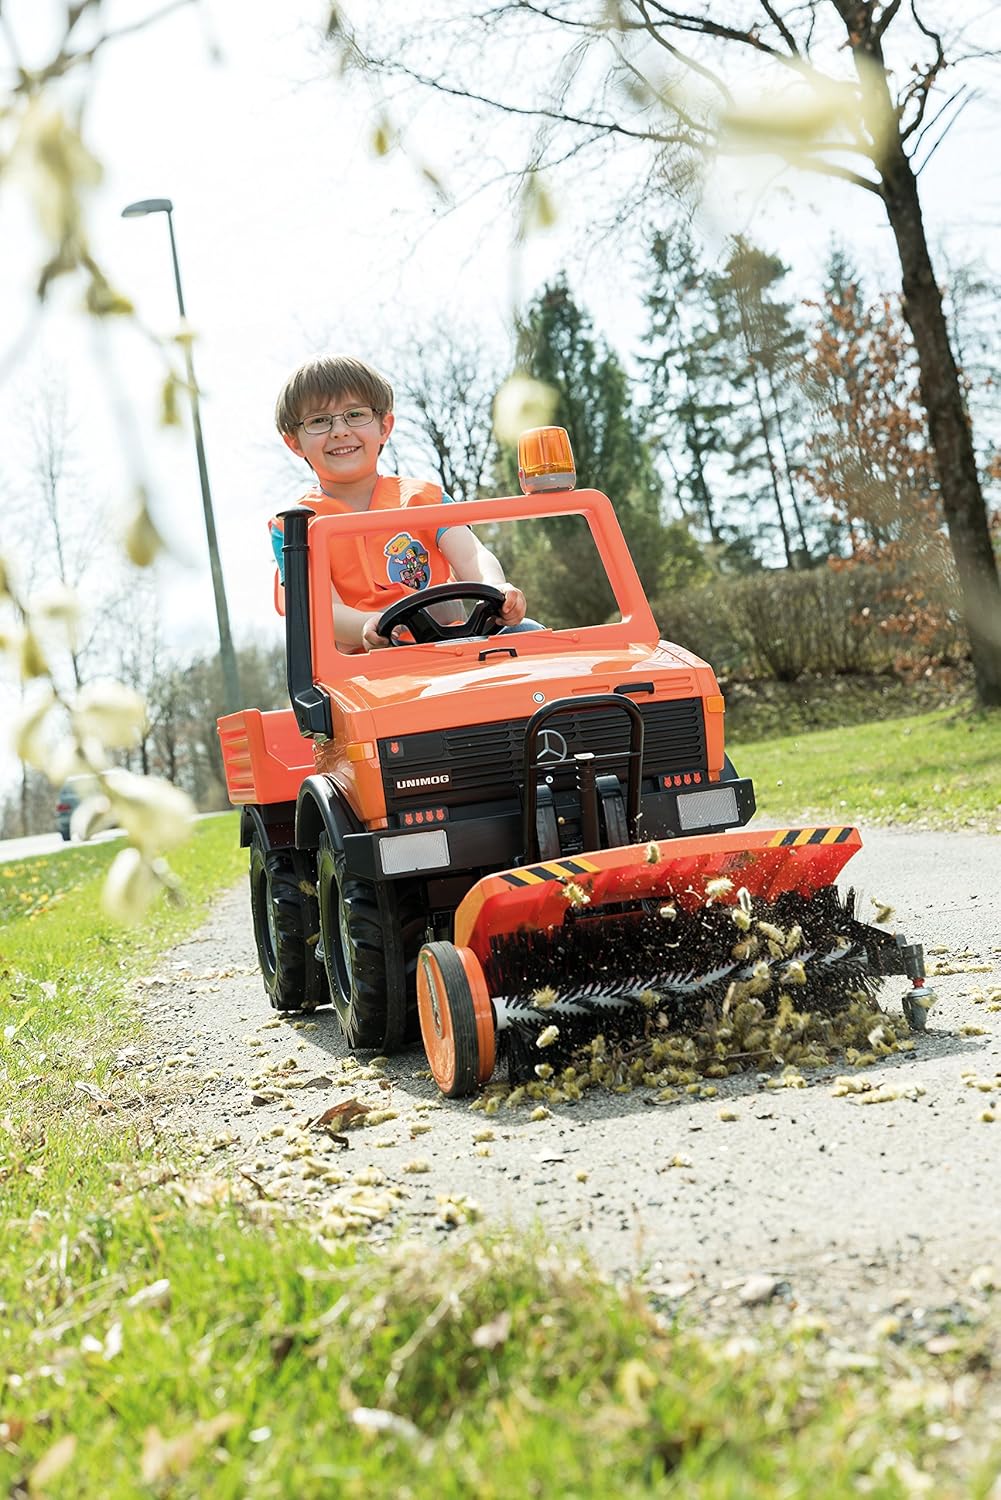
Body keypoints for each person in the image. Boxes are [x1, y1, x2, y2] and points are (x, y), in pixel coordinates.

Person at [270, 354, 529, 652]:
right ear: (295, 443)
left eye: (355, 415)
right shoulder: (296, 526)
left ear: (384, 426)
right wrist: (367, 627)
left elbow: (471, 555)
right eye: (319, 421)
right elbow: (319, 606)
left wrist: (498, 588)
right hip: (362, 664)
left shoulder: (424, 499)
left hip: (455, 644)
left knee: (528, 634)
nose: (340, 431)